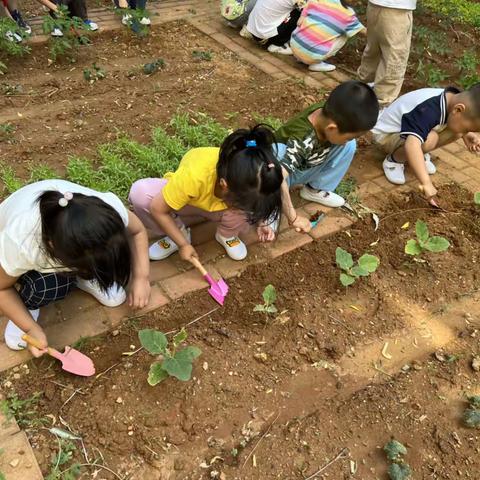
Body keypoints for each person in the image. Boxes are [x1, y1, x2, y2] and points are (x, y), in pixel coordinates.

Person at [0, 179, 151, 356]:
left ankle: (86, 279)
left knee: (108, 269)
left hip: (68, 242)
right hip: (17, 250)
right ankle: (28, 306)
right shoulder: (21, 243)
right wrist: (30, 328)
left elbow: (138, 231)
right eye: (88, 270)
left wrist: (142, 277)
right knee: (48, 286)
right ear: (53, 248)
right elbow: (2, 288)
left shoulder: (107, 213)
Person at [129, 125, 284, 263]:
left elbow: (263, 195)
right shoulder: (194, 176)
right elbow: (157, 208)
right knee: (141, 194)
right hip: (188, 204)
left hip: (220, 207)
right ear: (224, 185)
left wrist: (262, 221)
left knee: (246, 208)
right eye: (245, 206)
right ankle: (178, 234)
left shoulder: (259, 174)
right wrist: (183, 244)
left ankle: (226, 235)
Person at [275, 80, 379, 209]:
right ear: (332, 128)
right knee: (277, 153)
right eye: (348, 137)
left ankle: (314, 189)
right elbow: (276, 177)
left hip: (304, 164)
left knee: (349, 146)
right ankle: (269, 203)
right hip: (279, 173)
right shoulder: (303, 140)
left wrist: (347, 140)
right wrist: (292, 215)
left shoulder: (331, 112)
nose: (346, 142)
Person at [372, 84, 480, 203]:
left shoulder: (455, 98)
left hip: (408, 132)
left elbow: (456, 123)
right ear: (458, 109)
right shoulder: (429, 109)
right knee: (430, 139)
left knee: (456, 132)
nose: (466, 131)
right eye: (467, 128)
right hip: (387, 136)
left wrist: (466, 135)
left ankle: (418, 154)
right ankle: (394, 160)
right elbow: (412, 144)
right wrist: (426, 183)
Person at [357, 0, 417, 107]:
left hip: (376, 5)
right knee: (394, 59)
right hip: (397, 9)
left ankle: (359, 92)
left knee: (373, 51)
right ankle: (379, 106)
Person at [291, 0, 366, 72]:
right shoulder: (349, 15)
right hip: (312, 57)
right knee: (346, 33)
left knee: (313, 21)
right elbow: (363, 31)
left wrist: (302, 16)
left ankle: (301, 55)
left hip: (294, 45)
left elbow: (309, 4)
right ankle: (316, 63)